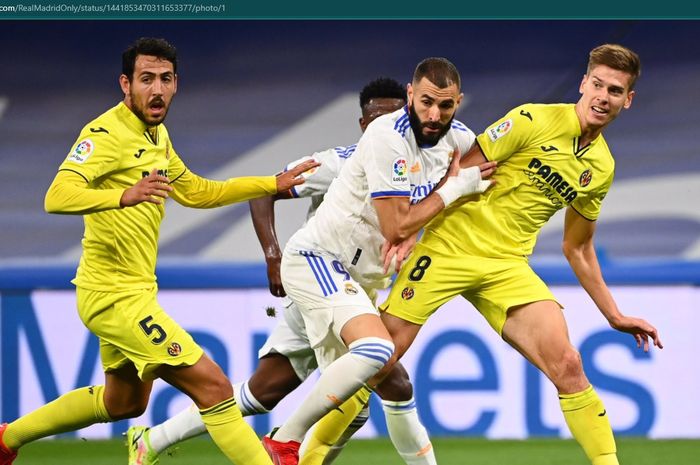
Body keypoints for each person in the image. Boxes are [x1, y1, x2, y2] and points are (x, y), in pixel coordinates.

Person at [0, 37, 317, 465]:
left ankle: (7, 439)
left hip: (134, 292)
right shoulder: (104, 133)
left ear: (176, 84)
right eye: (146, 79)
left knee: (124, 403)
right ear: (125, 85)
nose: (157, 89)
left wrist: (272, 184)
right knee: (214, 386)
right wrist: (122, 195)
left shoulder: (158, 136)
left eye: (165, 79)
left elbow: (199, 192)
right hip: (113, 296)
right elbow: (56, 196)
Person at [373, 44, 663, 465]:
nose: (603, 96)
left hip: (506, 265)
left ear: (627, 100)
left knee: (567, 363)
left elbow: (577, 246)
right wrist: (412, 230)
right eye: (597, 85)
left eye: (615, 90)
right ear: (583, 84)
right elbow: (459, 174)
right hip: (448, 246)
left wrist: (613, 314)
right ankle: (306, 453)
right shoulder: (532, 118)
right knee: (378, 358)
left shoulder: (601, 167)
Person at [125, 77, 439, 465]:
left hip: (353, 296)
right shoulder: (337, 163)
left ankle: (152, 440)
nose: (388, 126)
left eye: (396, 116)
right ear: (363, 125)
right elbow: (265, 190)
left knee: (262, 392)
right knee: (391, 385)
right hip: (323, 286)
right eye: (378, 119)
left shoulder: (417, 168)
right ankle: (287, 446)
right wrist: (272, 255)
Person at [262, 58, 497, 465]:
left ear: (458, 103)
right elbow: (399, 221)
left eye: (445, 106)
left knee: (375, 389)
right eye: (425, 102)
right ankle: (285, 439)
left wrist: (417, 230)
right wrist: (451, 192)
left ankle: (161, 439)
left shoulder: (458, 137)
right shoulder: (385, 138)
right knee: (372, 353)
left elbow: (461, 178)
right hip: (318, 259)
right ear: (411, 94)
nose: (433, 114)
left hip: (357, 277)